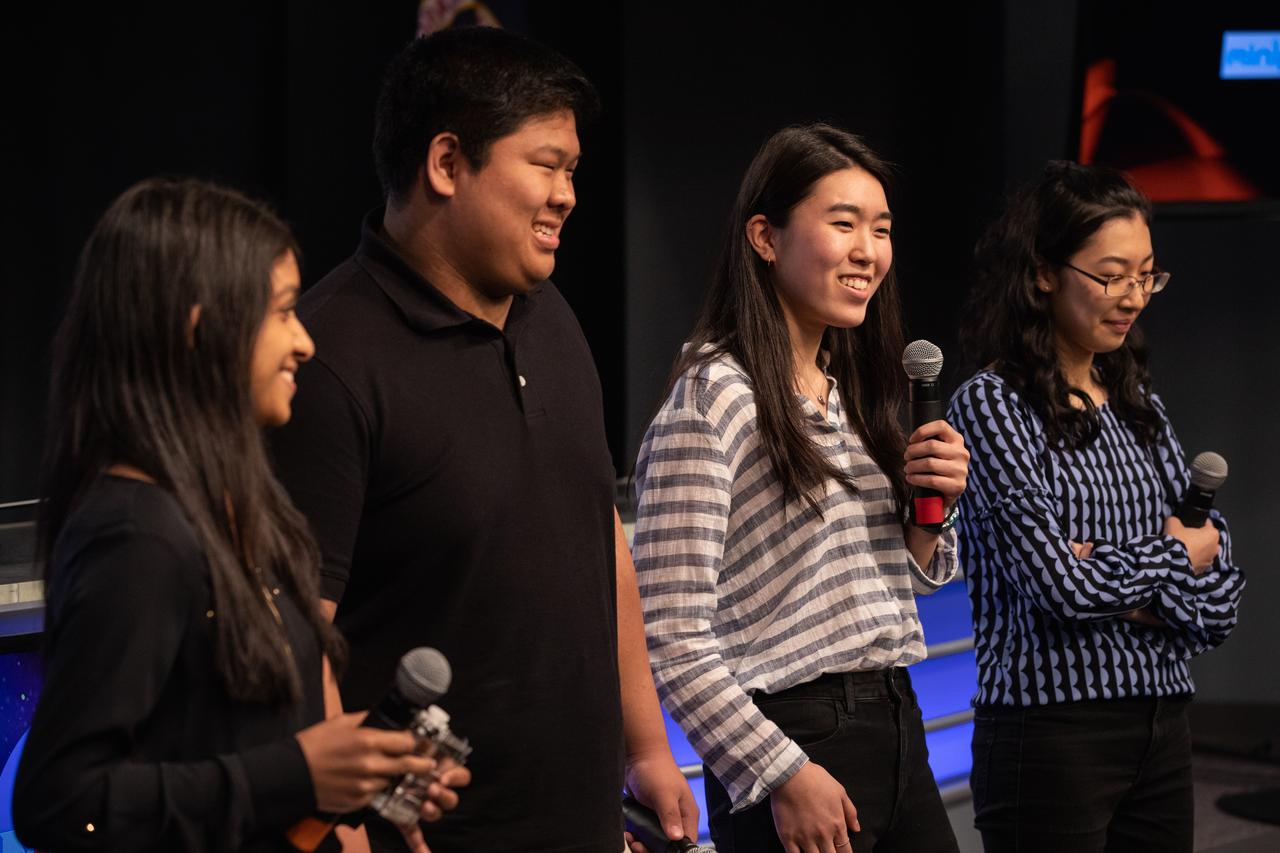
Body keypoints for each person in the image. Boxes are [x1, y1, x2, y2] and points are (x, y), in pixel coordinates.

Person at [268, 27, 696, 853]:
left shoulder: (554, 317)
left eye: (572, 169)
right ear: (445, 162)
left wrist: (644, 751)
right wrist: (350, 835)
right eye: (545, 164)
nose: (569, 193)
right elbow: (291, 634)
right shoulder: (327, 358)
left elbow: (597, 538)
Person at [13, 178, 469, 853]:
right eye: (283, 311)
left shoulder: (227, 510)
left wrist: (359, 780)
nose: (304, 342)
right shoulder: (139, 536)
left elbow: (231, 757)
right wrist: (299, 771)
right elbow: (60, 801)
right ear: (201, 328)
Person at [632, 123, 968, 853]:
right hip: (794, 740)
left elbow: (889, 581)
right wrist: (784, 771)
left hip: (895, 722)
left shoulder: (846, 394)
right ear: (764, 236)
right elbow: (672, 638)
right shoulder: (714, 397)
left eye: (880, 228)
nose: (868, 251)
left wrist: (928, 514)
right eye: (842, 223)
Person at [947, 161, 1245, 852]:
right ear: (1045, 272)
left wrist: (1113, 572)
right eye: (1111, 275)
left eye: (1146, 275)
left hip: (1163, 721)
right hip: (1052, 735)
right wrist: (1173, 557)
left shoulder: (1138, 400)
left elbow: (1222, 596)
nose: (1133, 295)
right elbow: (1060, 587)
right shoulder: (992, 404)